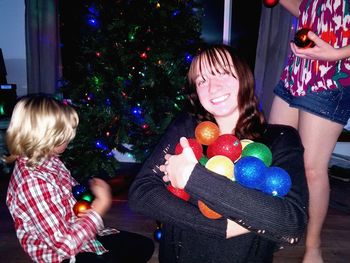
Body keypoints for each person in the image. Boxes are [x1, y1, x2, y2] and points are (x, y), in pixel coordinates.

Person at [128, 44, 308, 263]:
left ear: (244, 77)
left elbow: (292, 224)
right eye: (201, 80)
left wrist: (192, 177)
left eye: (221, 72)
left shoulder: (280, 139)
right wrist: (223, 226)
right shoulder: (188, 129)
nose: (212, 88)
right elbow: (142, 193)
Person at [4, 94, 154, 263]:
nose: (70, 138)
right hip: (61, 254)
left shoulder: (49, 158)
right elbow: (64, 246)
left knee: (144, 247)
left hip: (77, 228)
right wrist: (99, 207)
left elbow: (70, 190)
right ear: (44, 138)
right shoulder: (32, 183)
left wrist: (88, 192)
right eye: (64, 136)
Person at [269, 1, 350, 262]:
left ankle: (313, 248)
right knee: (277, 156)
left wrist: (338, 54)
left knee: (311, 170)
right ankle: (277, 228)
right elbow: (309, 8)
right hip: (298, 70)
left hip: (334, 74)